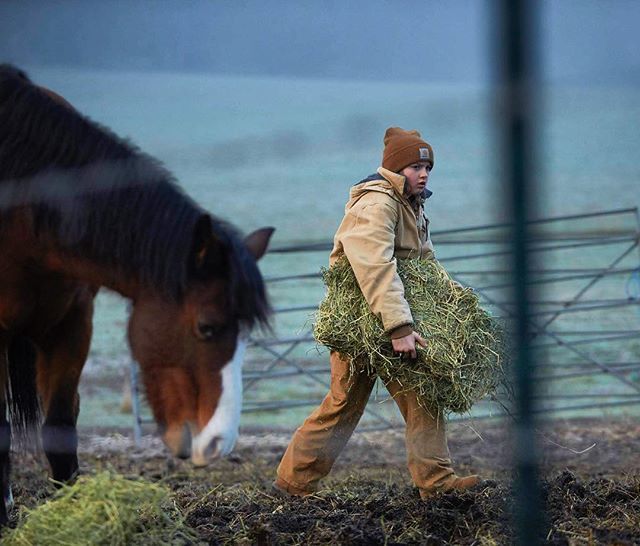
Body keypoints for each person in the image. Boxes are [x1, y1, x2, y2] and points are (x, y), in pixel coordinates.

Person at [273, 127, 480, 499]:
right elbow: (374, 266)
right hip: (362, 324)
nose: (424, 173)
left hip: (387, 319)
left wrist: (452, 299)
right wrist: (400, 326)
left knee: (422, 395)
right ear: (396, 167)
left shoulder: (411, 202)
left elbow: (423, 262)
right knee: (342, 405)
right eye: (416, 166)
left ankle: (436, 484)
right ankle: (293, 484)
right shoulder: (377, 204)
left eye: (427, 166)